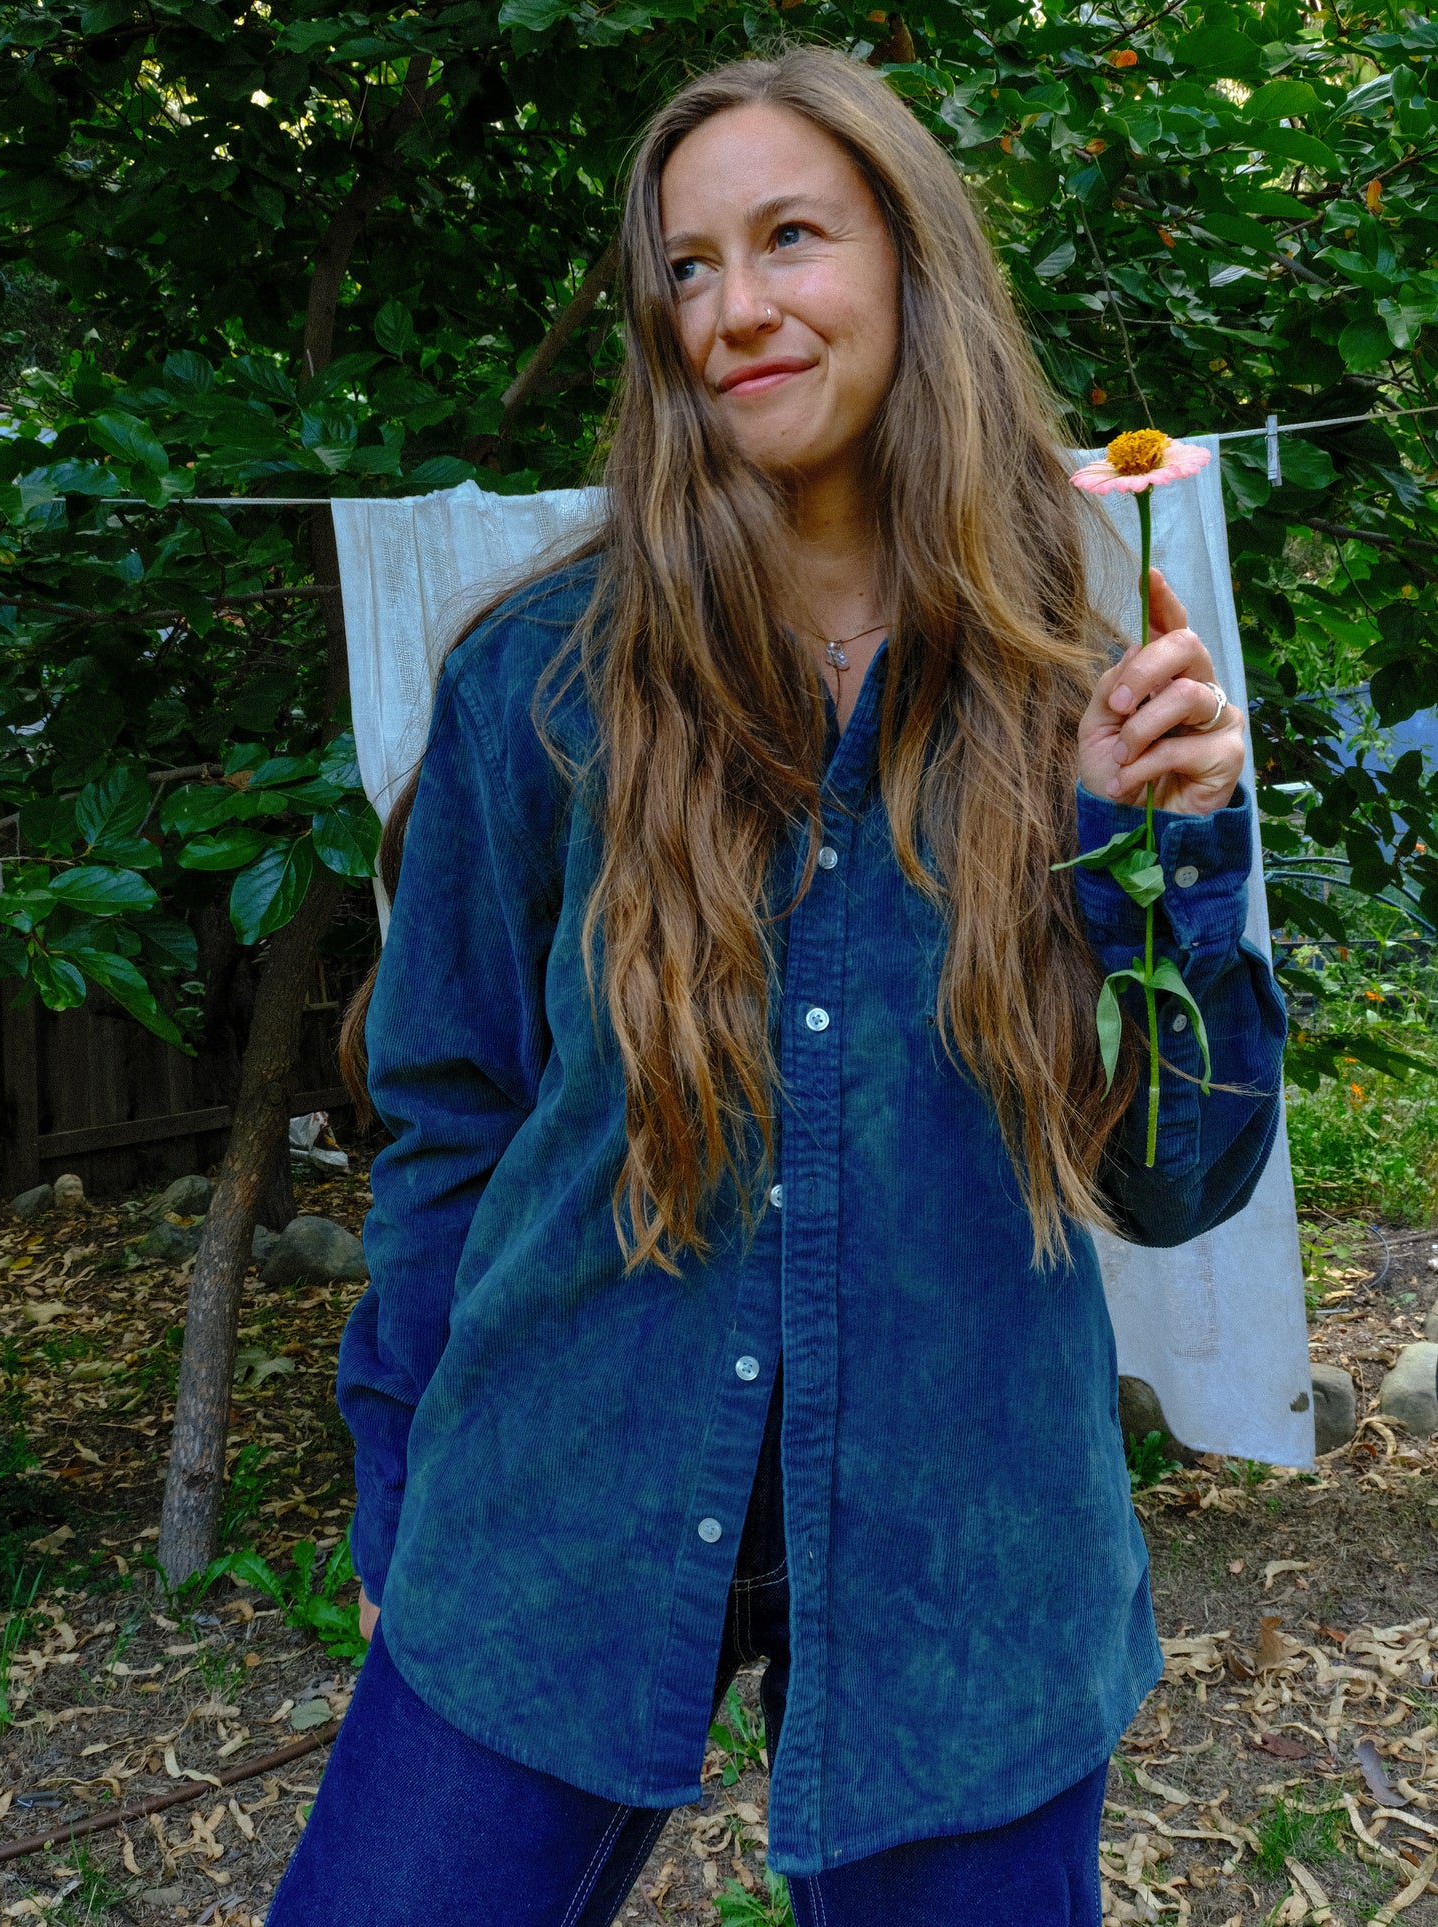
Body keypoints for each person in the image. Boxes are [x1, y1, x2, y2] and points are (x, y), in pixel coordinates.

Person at [269, 44, 1284, 1927]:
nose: (732, 307)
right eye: (683, 267)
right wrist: (401, 1479)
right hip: (558, 1495)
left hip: (960, 1543)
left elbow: (1171, 1179)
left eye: (789, 239)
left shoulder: (1077, 681)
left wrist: (1171, 864)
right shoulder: (546, 685)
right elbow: (449, 1119)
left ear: (908, 263)